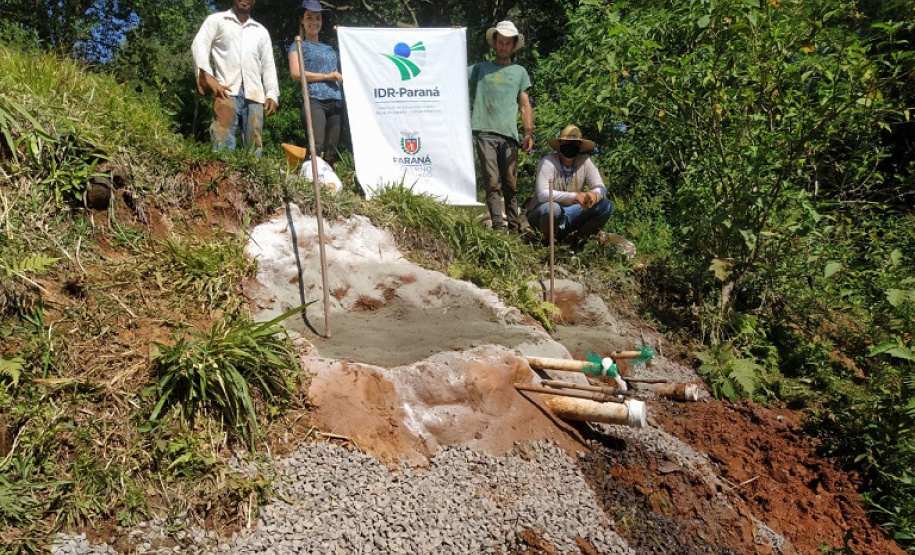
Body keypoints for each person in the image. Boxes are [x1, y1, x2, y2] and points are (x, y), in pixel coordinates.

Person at [468, 21, 533, 233]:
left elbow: (525, 104)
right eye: (500, 42)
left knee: (511, 184)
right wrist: (454, 38)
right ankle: (498, 227)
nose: (503, 46)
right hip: (484, 131)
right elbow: (453, 70)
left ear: (513, 46)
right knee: (492, 181)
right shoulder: (480, 69)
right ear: (494, 43)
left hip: (510, 136)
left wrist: (528, 132)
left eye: (507, 43)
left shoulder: (519, 72)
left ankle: (514, 228)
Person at [191, 0, 279, 157]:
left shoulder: (261, 31)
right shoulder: (217, 20)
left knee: (255, 149)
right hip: (226, 90)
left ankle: (253, 179)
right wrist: (207, 75)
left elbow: (268, 64)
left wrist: (272, 93)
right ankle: (221, 179)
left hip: (255, 95)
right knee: (222, 145)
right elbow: (199, 44)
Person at [527, 125, 613, 245]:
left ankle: (577, 240)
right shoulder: (548, 162)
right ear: (560, 144)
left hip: (571, 212)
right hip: (544, 212)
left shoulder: (585, 162)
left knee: (606, 206)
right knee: (553, 209)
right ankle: (546, 240)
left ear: (580, 146)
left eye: (575, 143)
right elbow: (542, 194)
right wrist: (574, 197)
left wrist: (594, 195)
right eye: (567, 142)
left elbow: (601, 187)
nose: (571, 146)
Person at [288, 0, 344, 166]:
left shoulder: (330, 49)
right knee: (316, 146)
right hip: (314, 100)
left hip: (336, 101)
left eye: (318, 18)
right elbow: (296, 74)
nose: (314, 22)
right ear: (302, 20)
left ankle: (328, 186)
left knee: (331, 151)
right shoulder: (298, 45)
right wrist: (327, 77)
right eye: (309, 17)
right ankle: (308, 181)